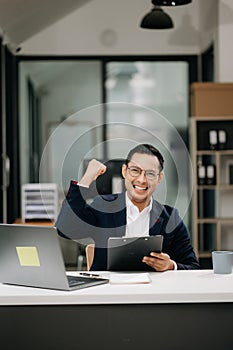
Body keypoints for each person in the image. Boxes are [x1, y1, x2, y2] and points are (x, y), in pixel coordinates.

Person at [56, 143, 200, 271]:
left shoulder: (170, 217)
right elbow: (65, 229)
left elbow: (193, 266)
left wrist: (171, 265)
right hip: (109, 292)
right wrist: (86, 180)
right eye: (135, 171)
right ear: (124, 171)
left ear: (159, 178)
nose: (141, 180)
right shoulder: (104, 206)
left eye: (150, 174)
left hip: (152, 294)